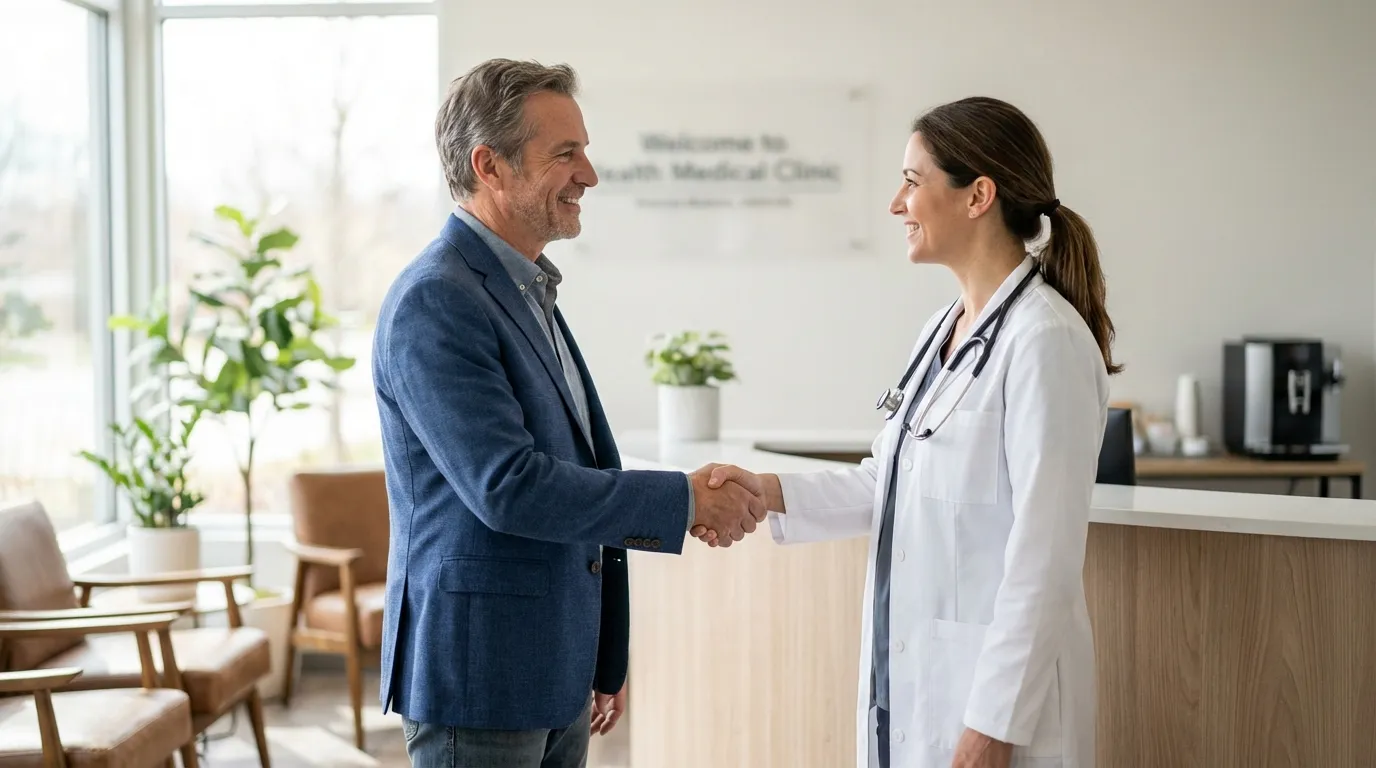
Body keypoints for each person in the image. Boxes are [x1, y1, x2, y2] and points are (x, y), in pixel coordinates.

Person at [700, 96, 1120, 768]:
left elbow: (1045, 559)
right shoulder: (942, 331)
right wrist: (769, 490)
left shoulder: (1045, 342)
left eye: (912, 181)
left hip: (999, 712)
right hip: (917, 688)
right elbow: (886, 482)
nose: (897, 205)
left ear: (978, 195)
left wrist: (993, 726)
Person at [372, 58, 765, 768]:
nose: (590, 173)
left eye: (584, 149)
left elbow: (577, 469)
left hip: (553, 668)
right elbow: (509, 485)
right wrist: (685, 500)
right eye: (565, 153)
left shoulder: (527, 290)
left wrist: (601, 655)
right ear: (488, 165)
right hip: (481, 678)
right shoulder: (436, 300)